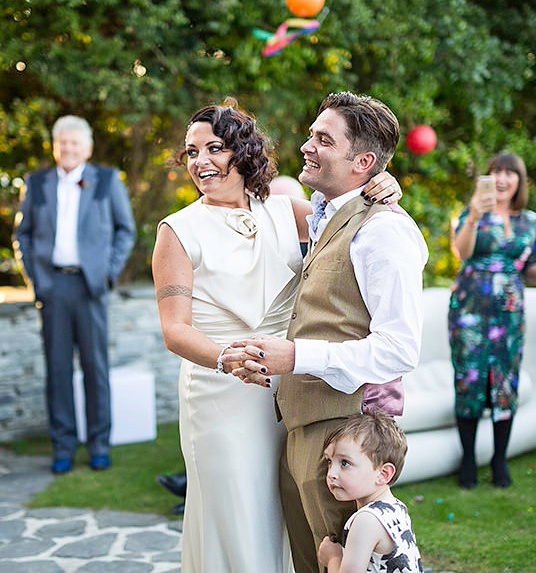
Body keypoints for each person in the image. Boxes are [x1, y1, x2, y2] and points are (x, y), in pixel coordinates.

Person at [152, 99, 403, 573]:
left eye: (215, 148)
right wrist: (228, 357)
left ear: (242, 152)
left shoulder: (286, 211)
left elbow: (354, 219)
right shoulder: (177, 232)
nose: (201, 161)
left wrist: (383, 184)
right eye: (191, 152)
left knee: (286, 513)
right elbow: (175, 329)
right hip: (221, 392)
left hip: (287, 391)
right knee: (238, 513)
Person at [228, 91, 428, 573]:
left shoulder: (385, 231)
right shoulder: (323, 212)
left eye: (323, 139)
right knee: (310, 563)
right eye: (310, 134)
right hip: (301, 427)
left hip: (347, 436)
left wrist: (296, 358)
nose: (306, 146)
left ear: (362, 161)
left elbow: (400, 349)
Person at [15, 115, 136, 474]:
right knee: (57, 369)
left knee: (95, 367)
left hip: (90, 285)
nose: (67, 149)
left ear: (88, 147)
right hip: (52, 285)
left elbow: (124, 230)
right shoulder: (36, 183)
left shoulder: (106, 180)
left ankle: (99, 444)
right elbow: (22, 234)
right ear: (55, 145)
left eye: (74, 143)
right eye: (62, 142)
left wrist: (108, 273)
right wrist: (37, 280)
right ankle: (63, 446)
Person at [448, 151, 536, 489]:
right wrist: (474, 213)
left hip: (510, 310)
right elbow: (461, 252)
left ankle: (500, 459)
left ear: (520, 180)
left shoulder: (529, 220)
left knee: (506, 380)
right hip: (469, 306)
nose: (503, 179)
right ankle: (469, 460)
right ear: (487, 178)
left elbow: (529, 268)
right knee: (469, 378)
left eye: (510, 173)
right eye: (496, 172)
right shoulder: (470, 213)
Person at [317, 411, 423, 573]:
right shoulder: (397, 508)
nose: (331, 473)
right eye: (330, 462)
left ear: (383, 474)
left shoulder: (366, 520)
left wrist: (333, 558)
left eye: (345, 463)